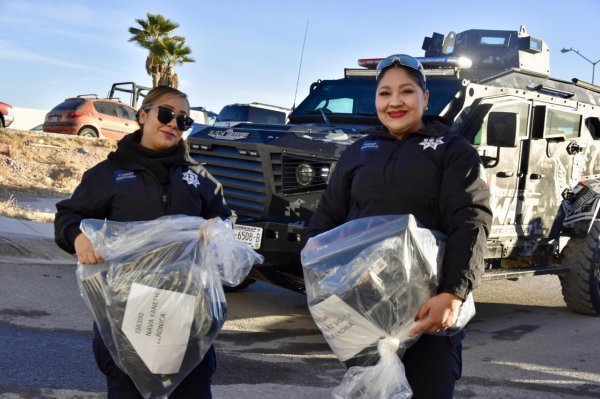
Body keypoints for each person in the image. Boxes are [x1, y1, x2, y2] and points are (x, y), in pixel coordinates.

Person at [306, 54, 492, 398]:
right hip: (365, 309)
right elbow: (326, 220)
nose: (394, 102)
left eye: (406, 91)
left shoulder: (453, 150)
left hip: (428, 307)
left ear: (425, 97)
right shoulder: (359, 150)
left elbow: (471, 219)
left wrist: (453, 292)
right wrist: (322, 284)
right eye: (384, 93)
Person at [54, 85, 231, 398]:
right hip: (126, 307)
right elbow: (68, 216)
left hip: (186, 310)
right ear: (142, 115)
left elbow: (226, 220)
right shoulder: (109, 174)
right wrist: (77, 237)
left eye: (184, 120)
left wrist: (218, 229)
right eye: (166, 114)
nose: (174, 123)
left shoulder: (200, 178)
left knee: (192, 390)